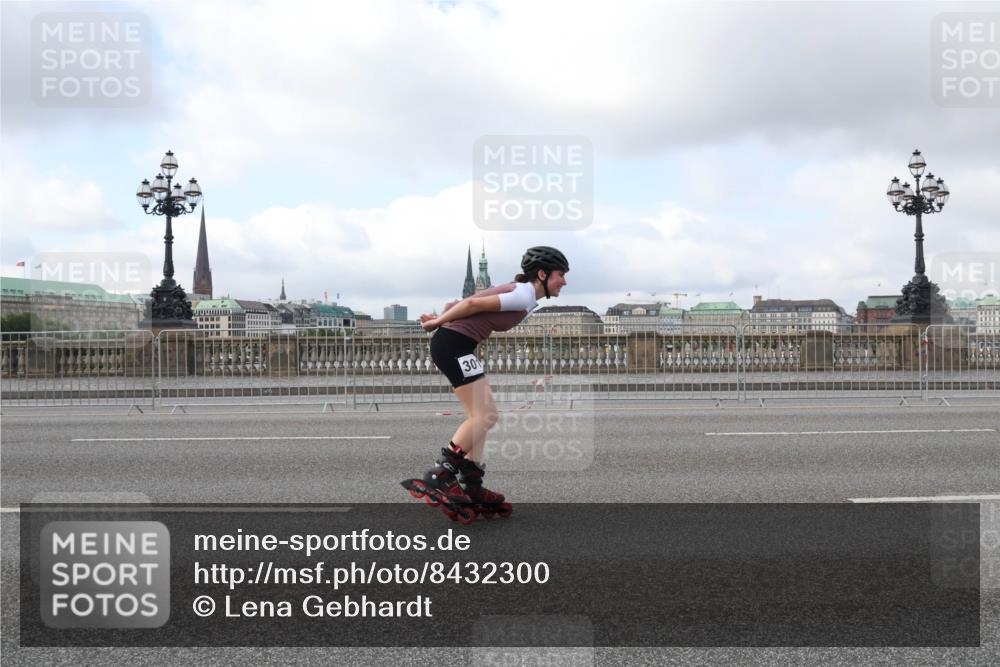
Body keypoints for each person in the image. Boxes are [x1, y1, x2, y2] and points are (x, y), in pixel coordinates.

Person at [403, 246, 569, 521]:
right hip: (453, 345)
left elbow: (469, 300)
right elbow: (470, 305)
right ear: (542, 274)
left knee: (481, 416)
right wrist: (437, 324)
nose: (564, 281)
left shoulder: (525, 295)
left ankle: (473, 484)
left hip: (459, 345)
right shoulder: (523, 293)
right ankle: (441, 473)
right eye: (560, 274)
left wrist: (440, 317)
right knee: (485, 415)